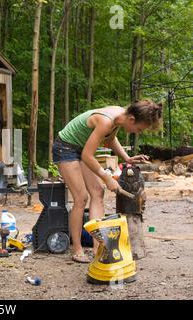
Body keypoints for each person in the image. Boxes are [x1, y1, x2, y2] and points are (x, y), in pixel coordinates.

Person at [52, 100, 162, 263]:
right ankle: (77, 249)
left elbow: (109, 140)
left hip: (81, 148)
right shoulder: (106, 121)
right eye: (138, 129)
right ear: (131, 119)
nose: (137, 132)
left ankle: (99, 248)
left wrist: (127, 158)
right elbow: (87, 156)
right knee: (81, 198)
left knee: (98, 192)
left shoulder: (119, 117)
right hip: (65, 148)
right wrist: (107, 177)